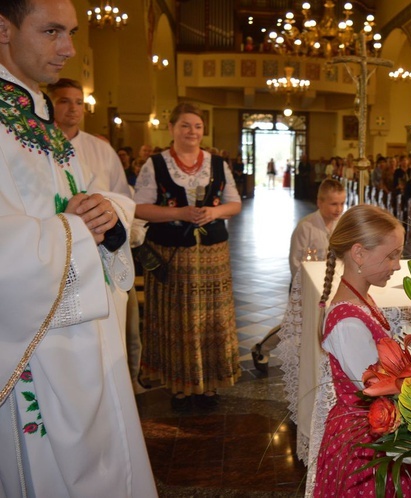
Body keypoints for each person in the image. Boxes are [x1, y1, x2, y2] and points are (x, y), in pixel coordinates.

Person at [0, 0, 157, 496]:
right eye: (51, 32)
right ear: (3, 29)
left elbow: (84, 195)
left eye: (70, 32)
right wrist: (72, 230)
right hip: (36, 345)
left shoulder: (39, 116)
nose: (69, 49)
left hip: (90, 338)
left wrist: (107, 216)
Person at [134, 103, 242, 410]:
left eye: (197, 126)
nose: (191, 131)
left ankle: (209, 382)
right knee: (178, 319)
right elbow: (139, 207)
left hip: (212, 257)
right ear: (171, 128)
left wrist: (214, 212)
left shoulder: (217, 163)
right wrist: (178, 212)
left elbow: (234, 203)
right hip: (172, 254)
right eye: (185, 125)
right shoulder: (155, 164)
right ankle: (180, 384)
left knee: (211, 320)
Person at [309, 204, 411, 497]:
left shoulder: (360, 298)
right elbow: (377, 387)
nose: (397, 264)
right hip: (362, 443)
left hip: (372, 430)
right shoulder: (348, 324)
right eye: (391, 255)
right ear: (358, 254)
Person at [48, 77, 145, 391]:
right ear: (49, 103)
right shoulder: (40, 146)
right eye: (64, 101)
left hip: (107, 253)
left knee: (123, 330)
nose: (73, 109)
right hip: (63, 257)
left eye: (79, 102)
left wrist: (115, 221)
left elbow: (122, 197)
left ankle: (127, 385)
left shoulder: (100, 149)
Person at [288, 178, 346, 279]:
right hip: (309, 281)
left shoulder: (342, 225)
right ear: (319, 203)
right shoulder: (305, 227)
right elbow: (295, 262)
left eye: (342, 203)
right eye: (334, 204)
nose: (339, 209)